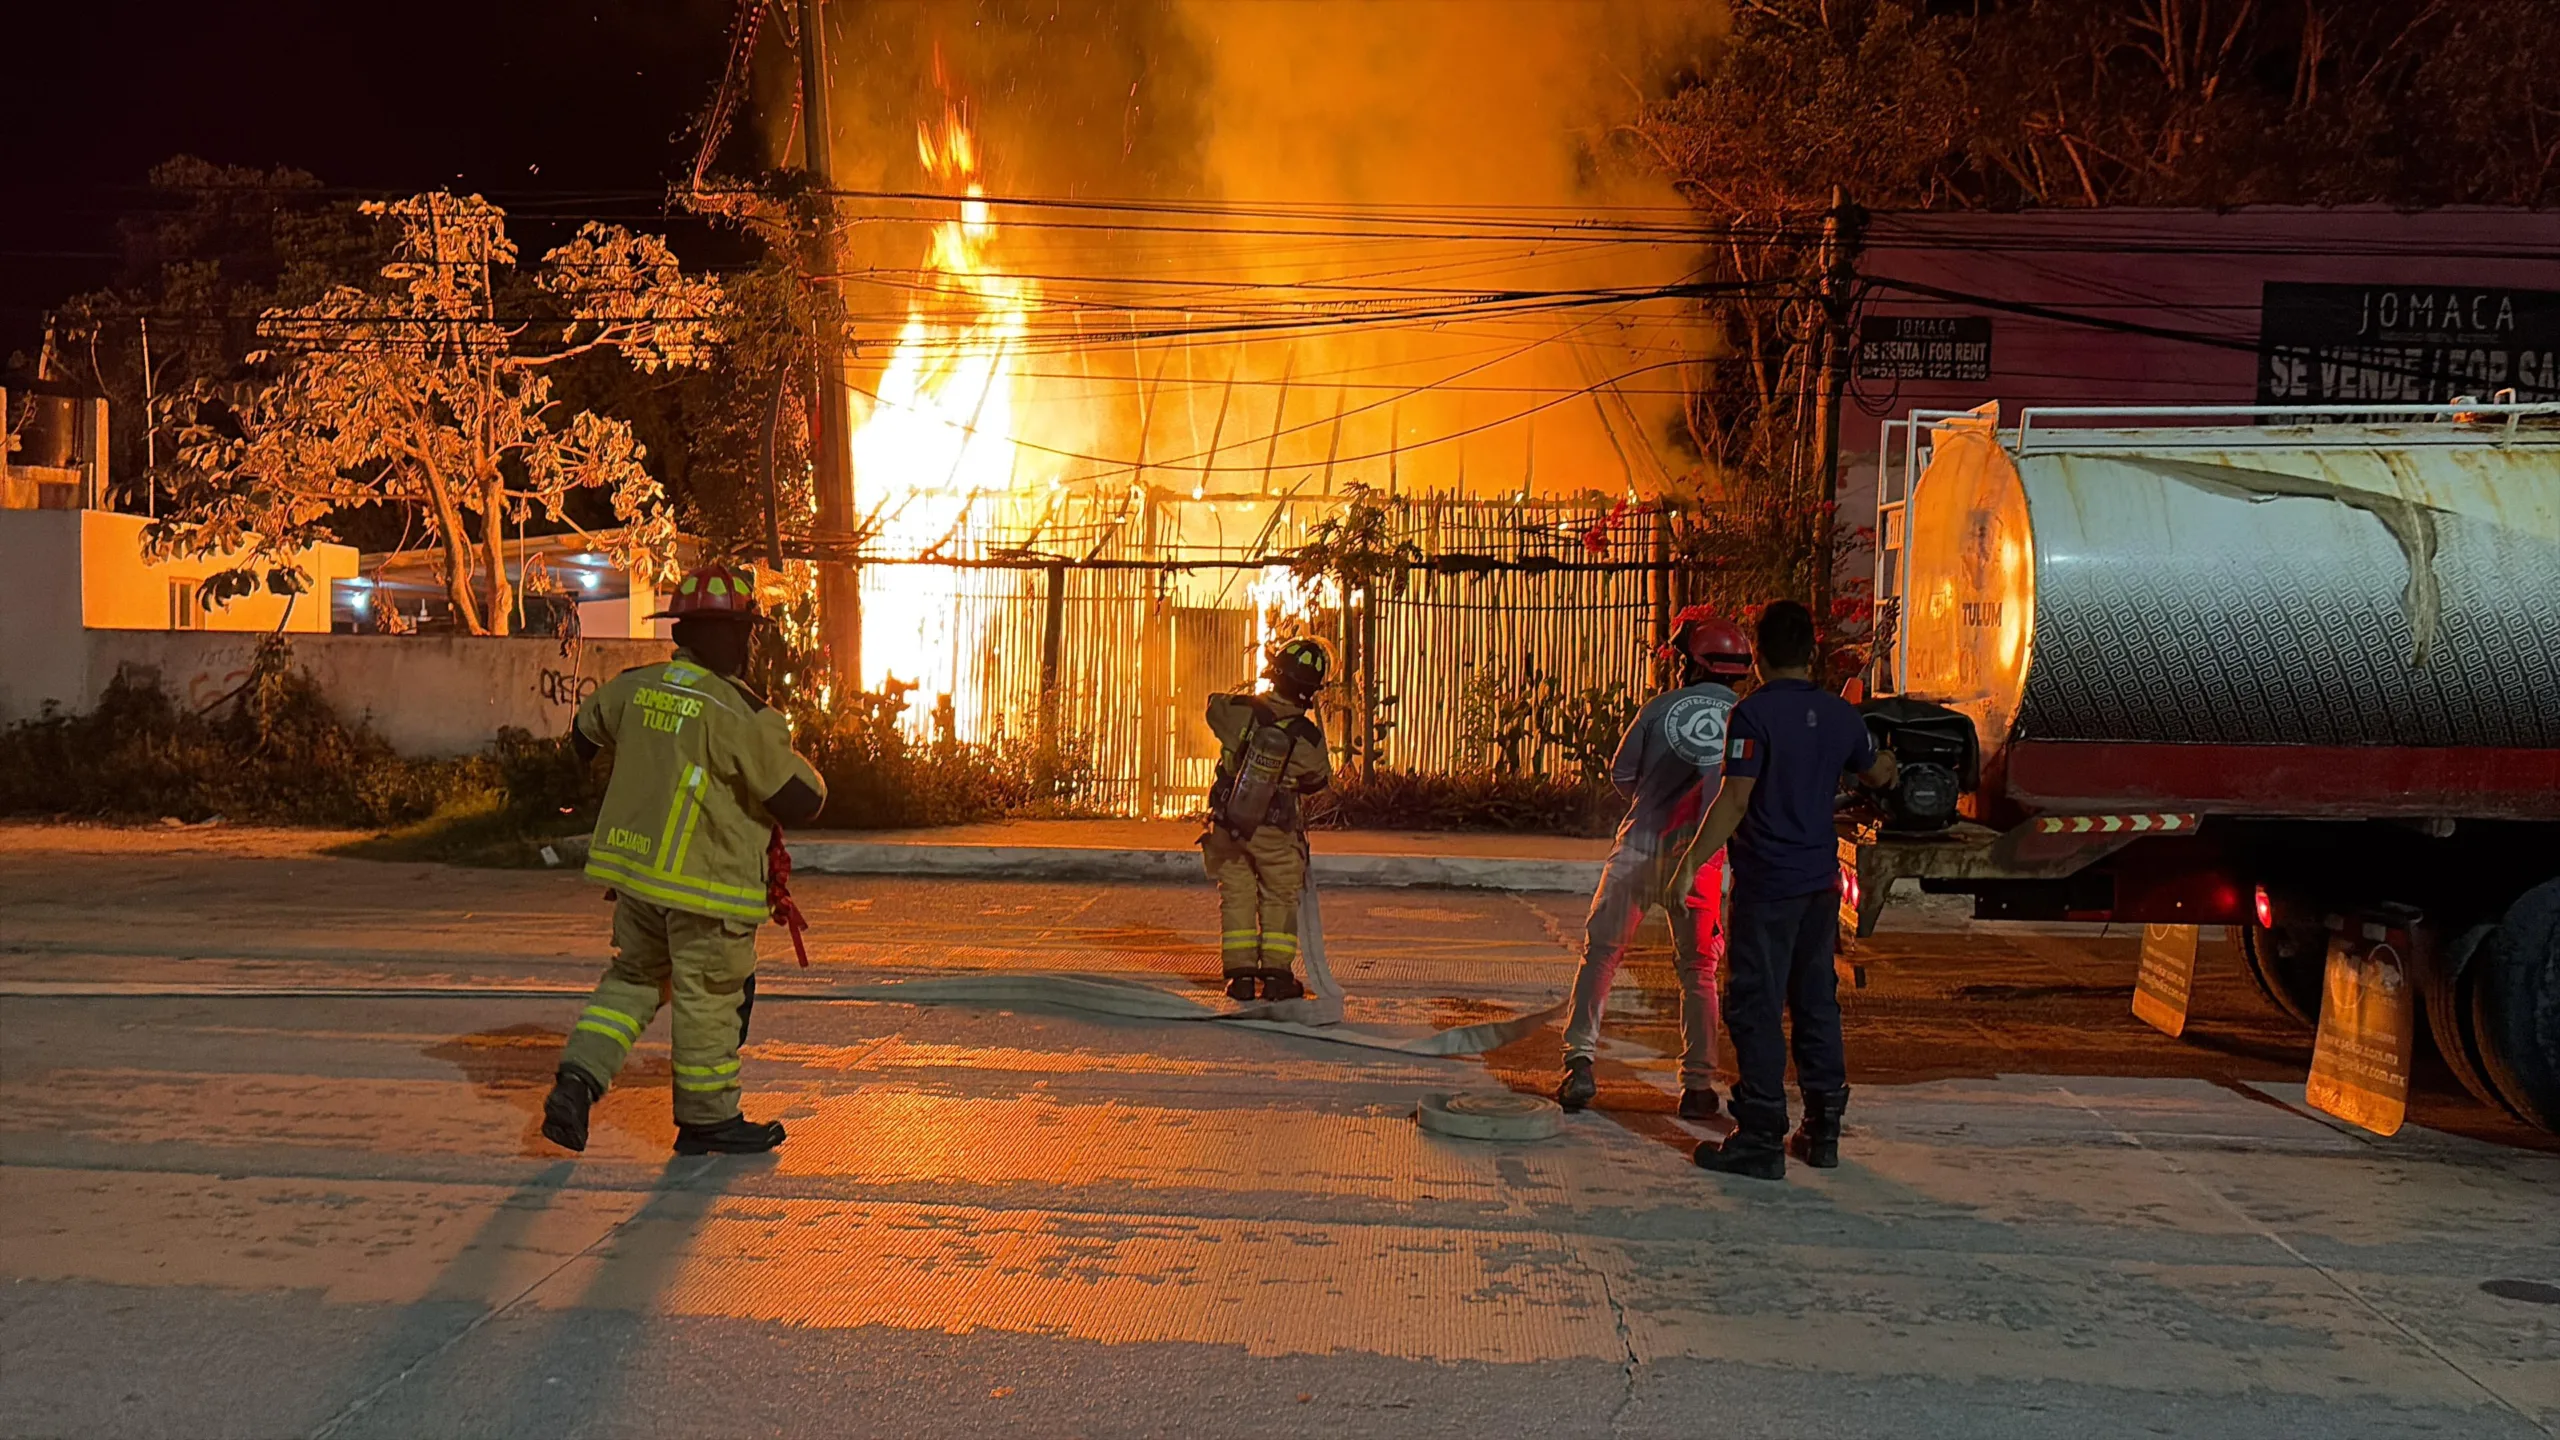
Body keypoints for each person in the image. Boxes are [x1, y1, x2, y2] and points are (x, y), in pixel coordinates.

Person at [539, 564, 828, 1157]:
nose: (745, 645)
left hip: (637, 880)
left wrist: (594, 785)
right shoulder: (745, 716)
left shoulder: (634, 686)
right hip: (708, 889)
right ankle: (707, 1118)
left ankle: (578, 1080)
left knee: (634, 980)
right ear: (735, 637)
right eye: (743, 632)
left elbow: (585, 735)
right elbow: (800, 799)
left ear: (681, 632)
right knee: (710, 995)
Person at [1681, 599, 1897, 1180]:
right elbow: (1877, 772)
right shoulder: (1841, 716)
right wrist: (1889, 767)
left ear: (1760, 654)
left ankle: (1760, 1135)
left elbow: (1734, 799)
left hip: (1766, 887)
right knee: (1814, 1003)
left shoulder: (1751, 717)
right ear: (1812, 652)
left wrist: (1689, 862)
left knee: (1755, 1005)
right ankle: (1822, 1131)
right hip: (1819, 887)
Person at [1555, 607, 1750, 1119]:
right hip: (1702, 860)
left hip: (1638, 849)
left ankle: (1578, 1062)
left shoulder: (1659, 709)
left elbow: (1623, 776)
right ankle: (1699, 1088)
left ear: (1692, 664)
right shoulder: (1750, 718)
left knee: (1601, 954)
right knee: (1699, 971)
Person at [1203, 637, 1336, 1002]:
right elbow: (1318, 777)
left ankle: (1240, 977)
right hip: (1276, 832)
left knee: (1237, 895)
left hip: (1229, 826)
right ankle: (1277, 977)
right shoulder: (1307, 736)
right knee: (1279, 897)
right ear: (1310, 690)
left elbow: (1213, 707)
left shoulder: (1242, 710)